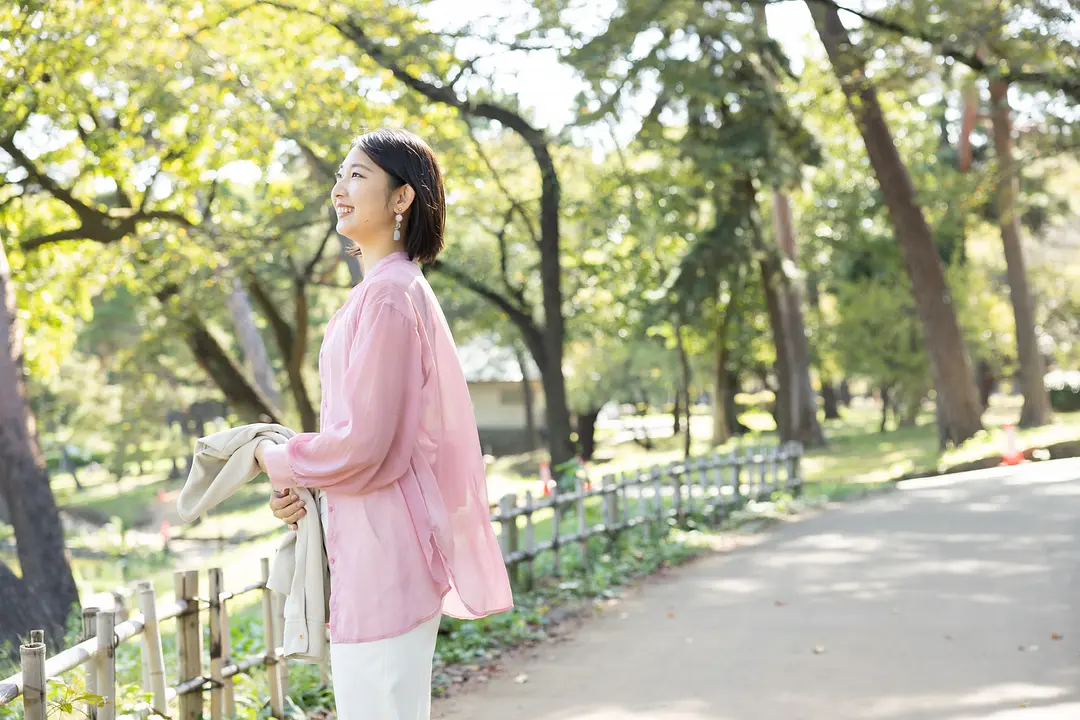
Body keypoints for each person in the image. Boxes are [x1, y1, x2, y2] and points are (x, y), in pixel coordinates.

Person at [255, 128, 513, 720]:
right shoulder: (379, 293)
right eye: (340, 175)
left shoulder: (390, 297)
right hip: (370, 548)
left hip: (385, 552)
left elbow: (367, 445)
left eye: (358, 176)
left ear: (402, 198)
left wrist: (277, 459)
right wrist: (299, 481)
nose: (339, 189)